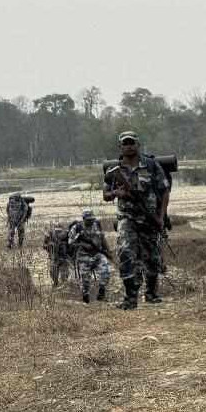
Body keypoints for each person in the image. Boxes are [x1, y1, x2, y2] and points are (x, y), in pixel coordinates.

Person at [103, 131, 170, 310]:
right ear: (120, 147)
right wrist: (118, 193)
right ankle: (130, 297)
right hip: (127, 218)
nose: (129, 146)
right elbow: (106, 195)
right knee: (125, 252)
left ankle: (151, 294)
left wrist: (161, 218)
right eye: (125, 143)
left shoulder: (151, 165)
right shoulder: (113, 170)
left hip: (149, 218)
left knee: (152, 256)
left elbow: (164, 192)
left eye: (132, 142)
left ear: (138, 144)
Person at [68, 210, 113, 303]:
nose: (91, 221)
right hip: (83, 256)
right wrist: (82, 244)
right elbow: (70, 243)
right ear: (84, 219)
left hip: (97, 253)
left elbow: (102, 238)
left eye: (92, 219)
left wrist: (108, 251)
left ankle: (101, 293)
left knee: (106, 271)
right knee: (85, 279)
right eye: (89, 220)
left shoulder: (97, 224)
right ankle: (86, 297)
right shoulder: (77, 228)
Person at [43, 222, 72, 286]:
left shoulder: (67, 236)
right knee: (53, 274)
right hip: (54, 258)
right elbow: (44, 246)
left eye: (59, 231)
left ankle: (63, 286)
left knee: (64, 277)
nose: (58, 233)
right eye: (56, 231)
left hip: (64, 258)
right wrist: (50, 246)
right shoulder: (49, 235)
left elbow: (72, 247)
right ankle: (56, 284)